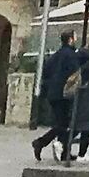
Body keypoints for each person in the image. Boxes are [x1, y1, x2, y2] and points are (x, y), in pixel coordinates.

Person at [32, 31, 81, 162]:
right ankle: (41, 142)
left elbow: (46, 71)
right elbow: (74, 73)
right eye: (75, 37)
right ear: (71, 39)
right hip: (64, 93)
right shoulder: (71, 55)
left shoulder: (56, 55)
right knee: (64, 124)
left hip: (53, 93)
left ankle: (63, 152)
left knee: (62, 123)